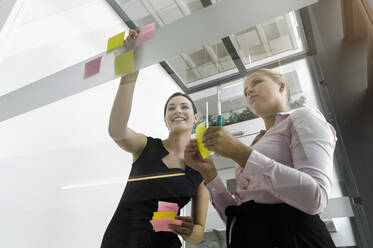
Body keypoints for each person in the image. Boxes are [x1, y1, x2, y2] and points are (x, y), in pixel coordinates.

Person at [184, 68, 338, 248]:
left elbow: (315, 198)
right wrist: (208, 172)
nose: (248, 91)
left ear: (282, 86)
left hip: (294, 237)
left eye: (256, 82)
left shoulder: (303, 117)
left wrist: (239, 153)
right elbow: (237, 218)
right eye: (245, 91)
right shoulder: (256, 142)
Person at [101, 30, 210, 248]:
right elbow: (116, 130)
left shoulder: (201, 170)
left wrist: (189, 231)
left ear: (195, 118)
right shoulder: (145, 146)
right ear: (166, 120)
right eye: (171, 108)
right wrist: (130, 73)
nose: (177, 110)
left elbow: (198, 231)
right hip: (120, 241)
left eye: (184, 107)